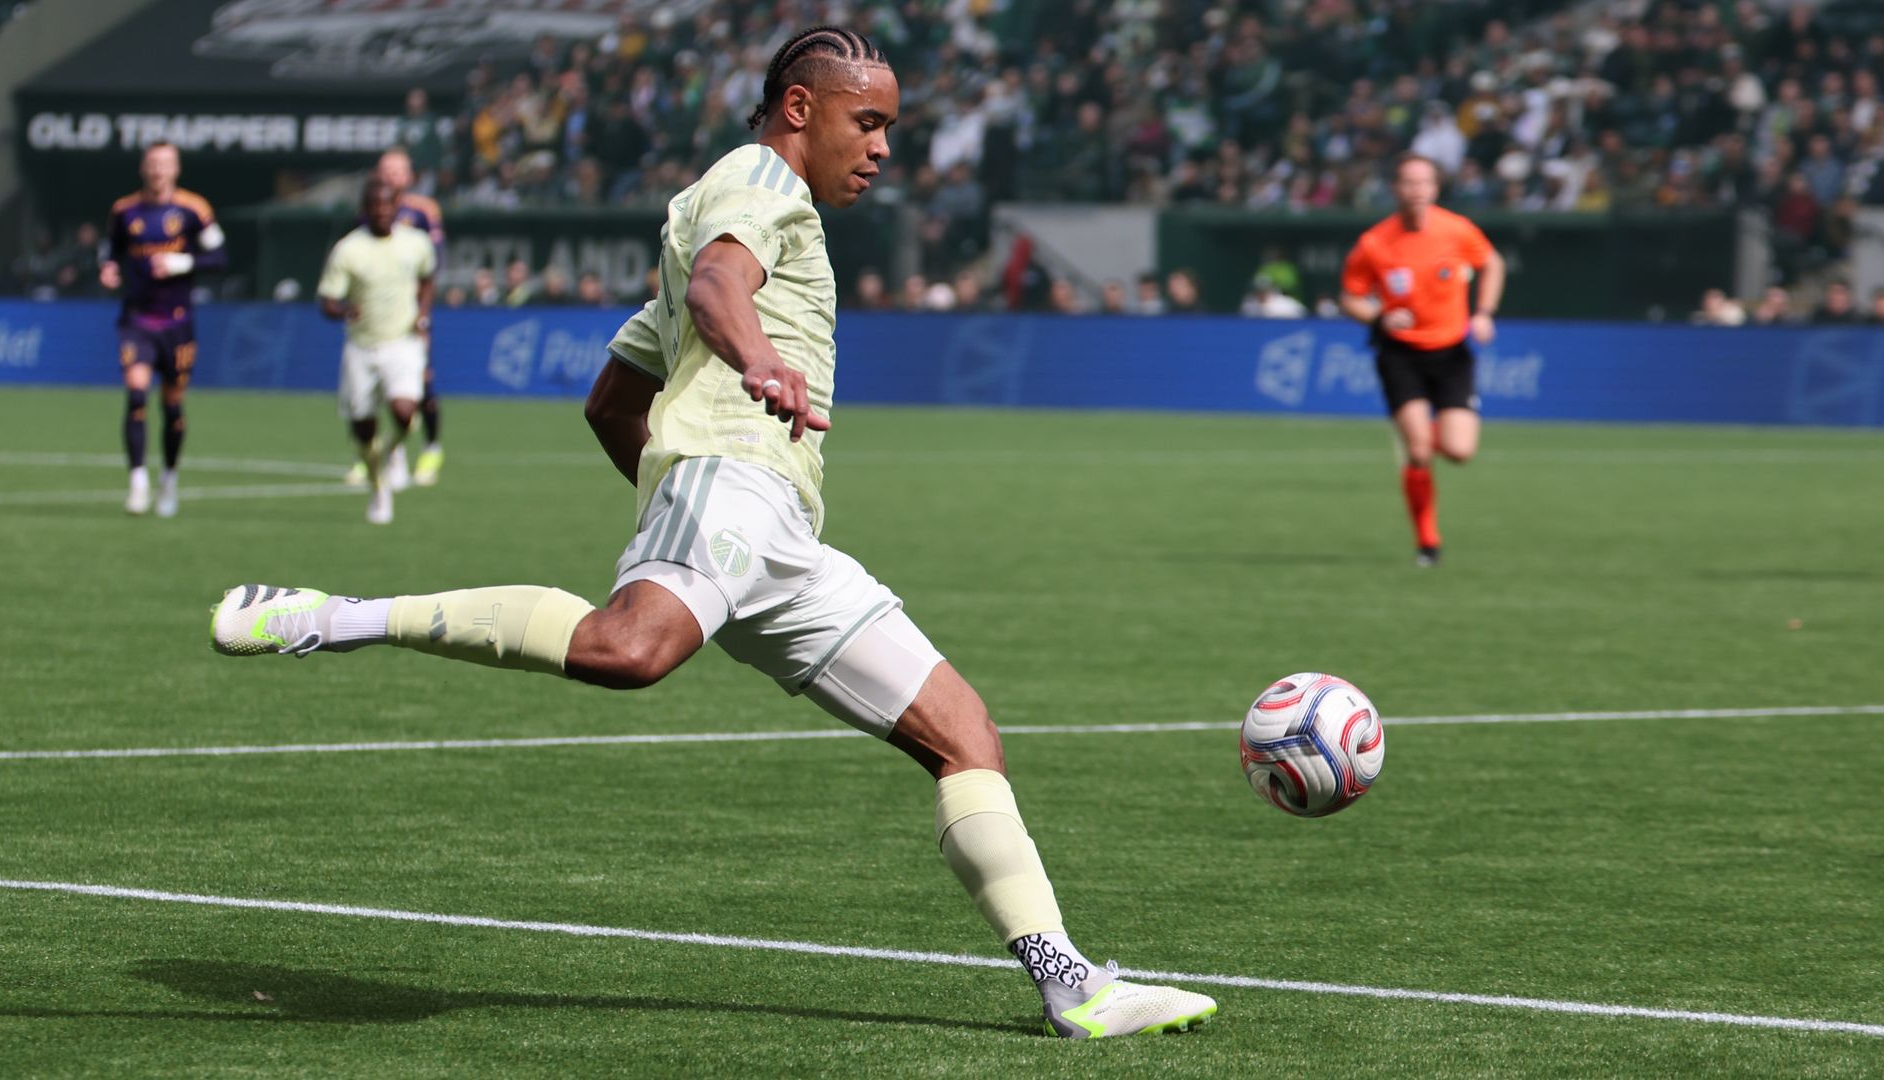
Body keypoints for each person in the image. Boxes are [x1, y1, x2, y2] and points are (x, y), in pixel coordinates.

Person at [210, 25, 1215, 1041]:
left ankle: (1070, 984)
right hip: (736, 489)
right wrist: (756, 371)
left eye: (891, 128)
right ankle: (338, 617)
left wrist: (669, 498)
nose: (881, 148)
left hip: (779, 535)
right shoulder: (753, 186)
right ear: (799, 109)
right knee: (630, 650)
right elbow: (717, 289)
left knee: (965, 735)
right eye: (866, 122)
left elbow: (612, 402)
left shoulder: (740, 218)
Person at [1339, 154, 1505, 567]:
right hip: (1400, 354)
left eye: (1424, 183)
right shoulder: (1374, 243)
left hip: (1451, 353)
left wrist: (1483, 313)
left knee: (1459, 451)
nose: (1416, 191)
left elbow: (1493, 264)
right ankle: (1428, 542)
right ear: (1395, 189)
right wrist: (1378, 314)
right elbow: (1349, 297)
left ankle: (1427, 429)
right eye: (1408, 183)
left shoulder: (1456, 230)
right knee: (1417, 450)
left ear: (1435, 188)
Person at [100, 141, 226, 517]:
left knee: (172, 406)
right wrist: (107, 269)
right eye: (152, 164)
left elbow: (220, 257)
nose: (158, 171)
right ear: (143, 167)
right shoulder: (124, 211)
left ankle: (168, 478)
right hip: (137, 319)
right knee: (136, 396)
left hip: (177, 322)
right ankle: (137, 482)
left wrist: (180, 263)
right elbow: (111, 251)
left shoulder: (194, 209)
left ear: (176, 169)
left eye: (165, 164)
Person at [315, 179, 436, 525]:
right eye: (375, 206)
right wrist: (343, 310)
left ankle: (391, 454)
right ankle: (378, 484)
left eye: (388, 205)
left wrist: (423, 312)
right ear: (365, 210)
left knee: (403, 411)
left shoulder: (416, 242)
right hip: (362, 346)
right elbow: (327, 300)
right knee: (363, 428)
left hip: (403, 342)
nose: (382, 212)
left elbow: (429, 277)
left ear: (396, 206)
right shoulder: (349, 249)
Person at [346, 149, 450, 490]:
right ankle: (378, 454)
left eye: (398, 171)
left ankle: (431, 449)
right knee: (372, 393)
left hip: (410, 316)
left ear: (409, 176)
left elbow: (434, 261)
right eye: (386, 170)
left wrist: (421, 311)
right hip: (374, 319)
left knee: (422, 385)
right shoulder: (368, 211)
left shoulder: (423, 210)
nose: (392, 177)